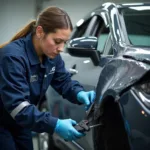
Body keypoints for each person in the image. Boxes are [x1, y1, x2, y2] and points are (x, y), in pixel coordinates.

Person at [0, 6, 96, 150]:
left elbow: (63, 81)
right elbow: (17, 106)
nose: (61, 48)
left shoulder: (51, 56)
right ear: (40, 32)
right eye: (57, 41)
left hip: (21, 122)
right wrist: (55, 125)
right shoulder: (12, 57)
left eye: (65, 42)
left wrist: (79, 93)